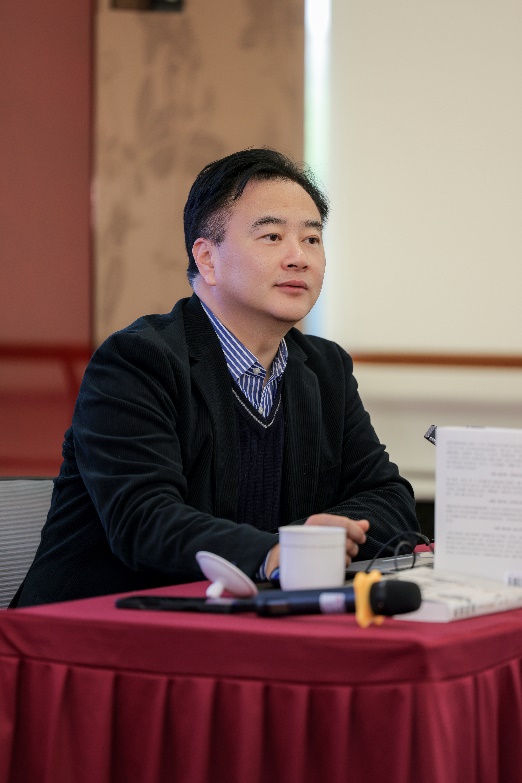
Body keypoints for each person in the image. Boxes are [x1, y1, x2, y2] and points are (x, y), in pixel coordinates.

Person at [12, 148, 419, 607]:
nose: (298, 257)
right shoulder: (137, 361)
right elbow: (145, 521)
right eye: (272, 236)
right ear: (207, 259)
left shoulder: (325, 369)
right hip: (97, 626)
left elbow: (388, 498)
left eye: (311, 238)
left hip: (245, 619)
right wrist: (273, 552)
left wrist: (314, 542)